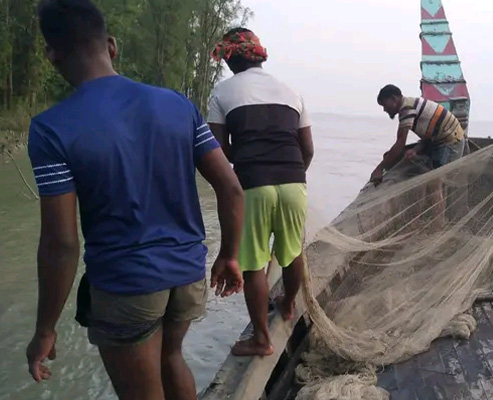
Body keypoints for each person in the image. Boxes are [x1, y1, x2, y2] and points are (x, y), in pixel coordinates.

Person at [25, 1, 244, 399]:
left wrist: (45, 329)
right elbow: (230, 188)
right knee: (172, 358)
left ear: (52, 55)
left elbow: (61, 243)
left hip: (127, 285)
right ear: (111, 46)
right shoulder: (178, 105)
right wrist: (230, 254)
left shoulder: (50, 130)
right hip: (187, 274)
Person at [207, 28, 314, 357]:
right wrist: (291, 176)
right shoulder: (291, 91)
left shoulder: (223, 92)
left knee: (252, 264)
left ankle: (262, 340)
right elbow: (307, 148)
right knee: (293, 251)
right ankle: (288, 305)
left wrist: (248, 167)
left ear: (229, 59)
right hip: (294, 181)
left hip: (252, 183)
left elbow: (217, 150)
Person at [372, 84, 466, 228]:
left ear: (394, 99)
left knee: (434, 182)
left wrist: (379, 169)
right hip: (436, 140)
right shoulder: (410, 104)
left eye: (385, 105)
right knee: (431, 180)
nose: (385, 109)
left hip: (450, 142)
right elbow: (429, 132)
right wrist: (416, 149)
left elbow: (399, 144)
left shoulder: (406, 109)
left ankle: (437, 226)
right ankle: (429, 220)